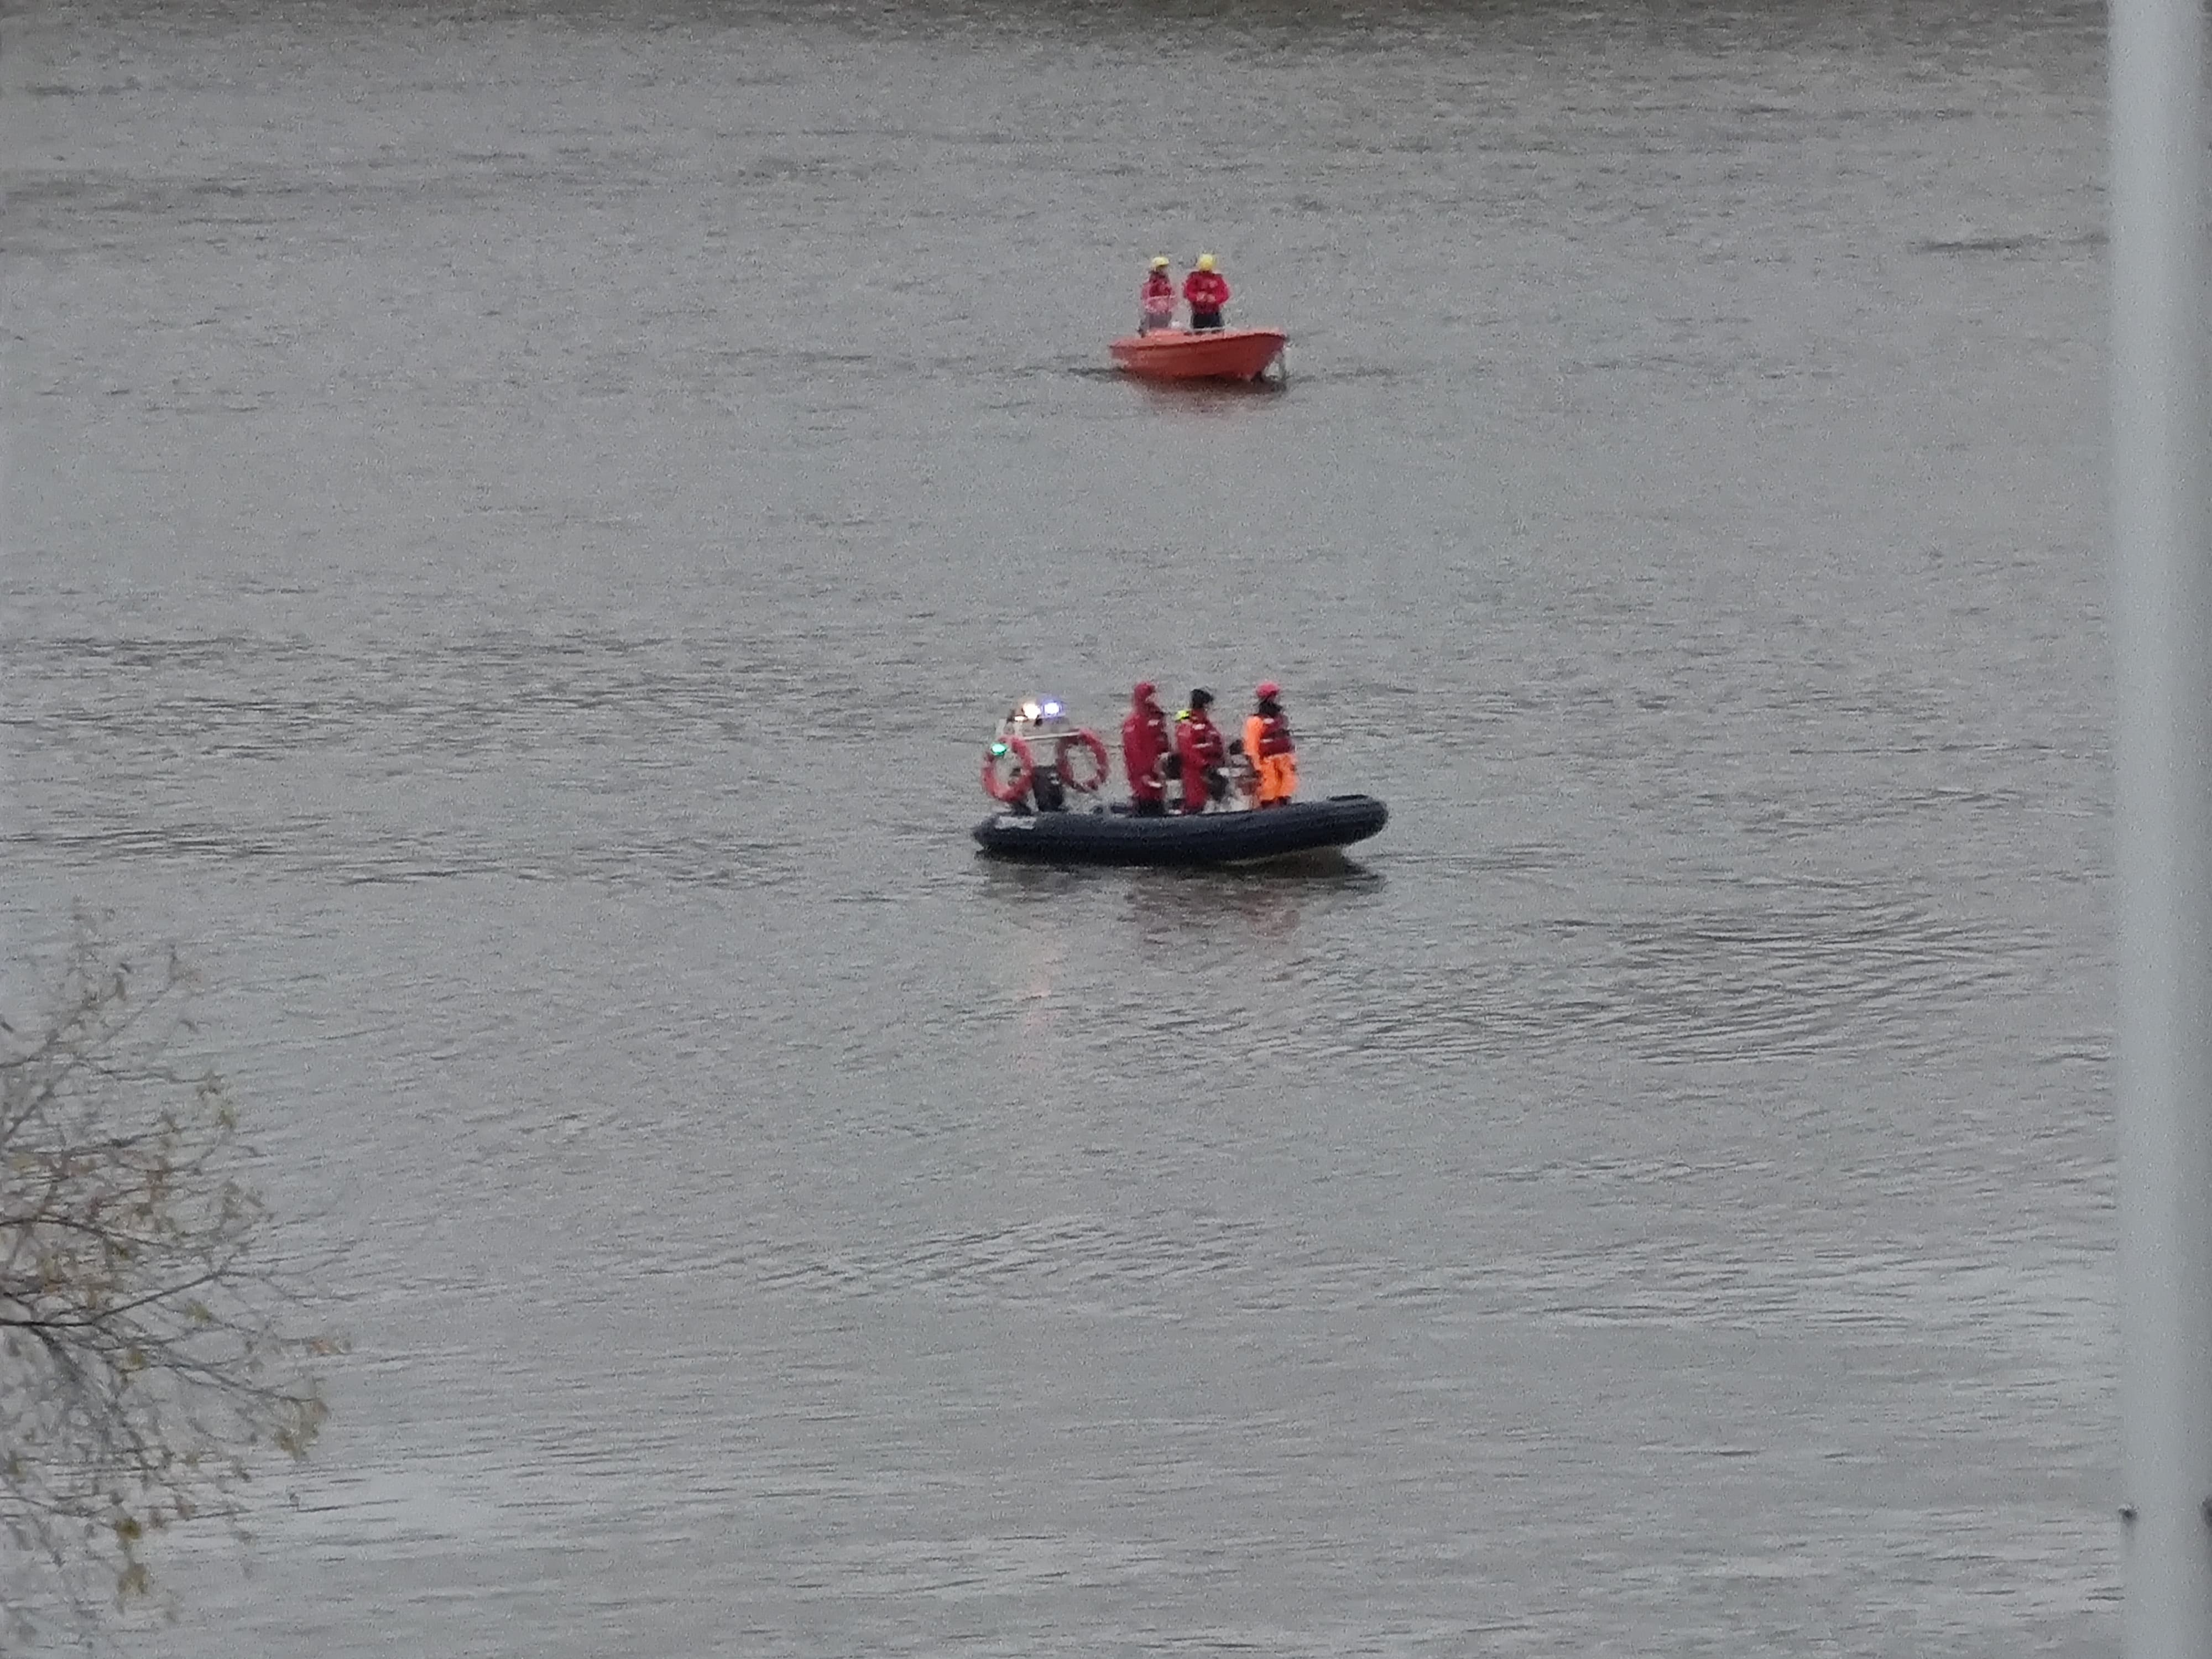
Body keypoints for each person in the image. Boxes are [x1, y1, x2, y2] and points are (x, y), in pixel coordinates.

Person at [1120, 681, 1172, 815]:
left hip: (1159, 771)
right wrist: (1144, 773)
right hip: (1144, 776)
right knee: (1147, 799)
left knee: (1158, 800)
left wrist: (1166, 764)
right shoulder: (1133, 724)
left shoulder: (1157, 718)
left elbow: (1165, 742)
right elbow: (1134, 752)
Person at [1174, 689, 1228, 813]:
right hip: (1195, 773)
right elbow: (1187, 751)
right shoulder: (1187, 724)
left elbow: (1218, 742)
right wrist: (1205, 767)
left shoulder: (1206, 724)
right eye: (1207, 706)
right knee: (1196, 804)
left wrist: (1221, 762)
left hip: (1212, 771)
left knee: (1217, 799)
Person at [1244, 681, 1297, 807]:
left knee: (1285, 797)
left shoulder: (1281, 719)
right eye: (1273, 696)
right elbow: (1251, 748)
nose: (1275, 700)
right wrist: (1256, 769)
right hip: (1267, 769)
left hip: (1284, 767)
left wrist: (1293, 762)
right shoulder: (1256, 722)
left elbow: (1288, 744)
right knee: (1268, 799)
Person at [1182, 253, 1230, 332]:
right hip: (1198, 314)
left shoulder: (1217, 279)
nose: (1206, 273)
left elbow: (1224, 294)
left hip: (1214, 313)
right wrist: (1197, 297)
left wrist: (1215, 298)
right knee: (1198, 335)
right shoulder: (1194, 279)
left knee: (1217, 333)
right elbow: (1187, 293)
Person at [1139, 255, 1176, 334]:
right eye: (1162, 268)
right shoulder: (1152, 283)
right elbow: (1147, 298)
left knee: (1165, 327)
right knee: (1153, 329)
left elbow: (1172, 295)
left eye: (1165, 268)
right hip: (1154, 314)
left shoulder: (1166, 282)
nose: (1165, 270)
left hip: (1166, 312)